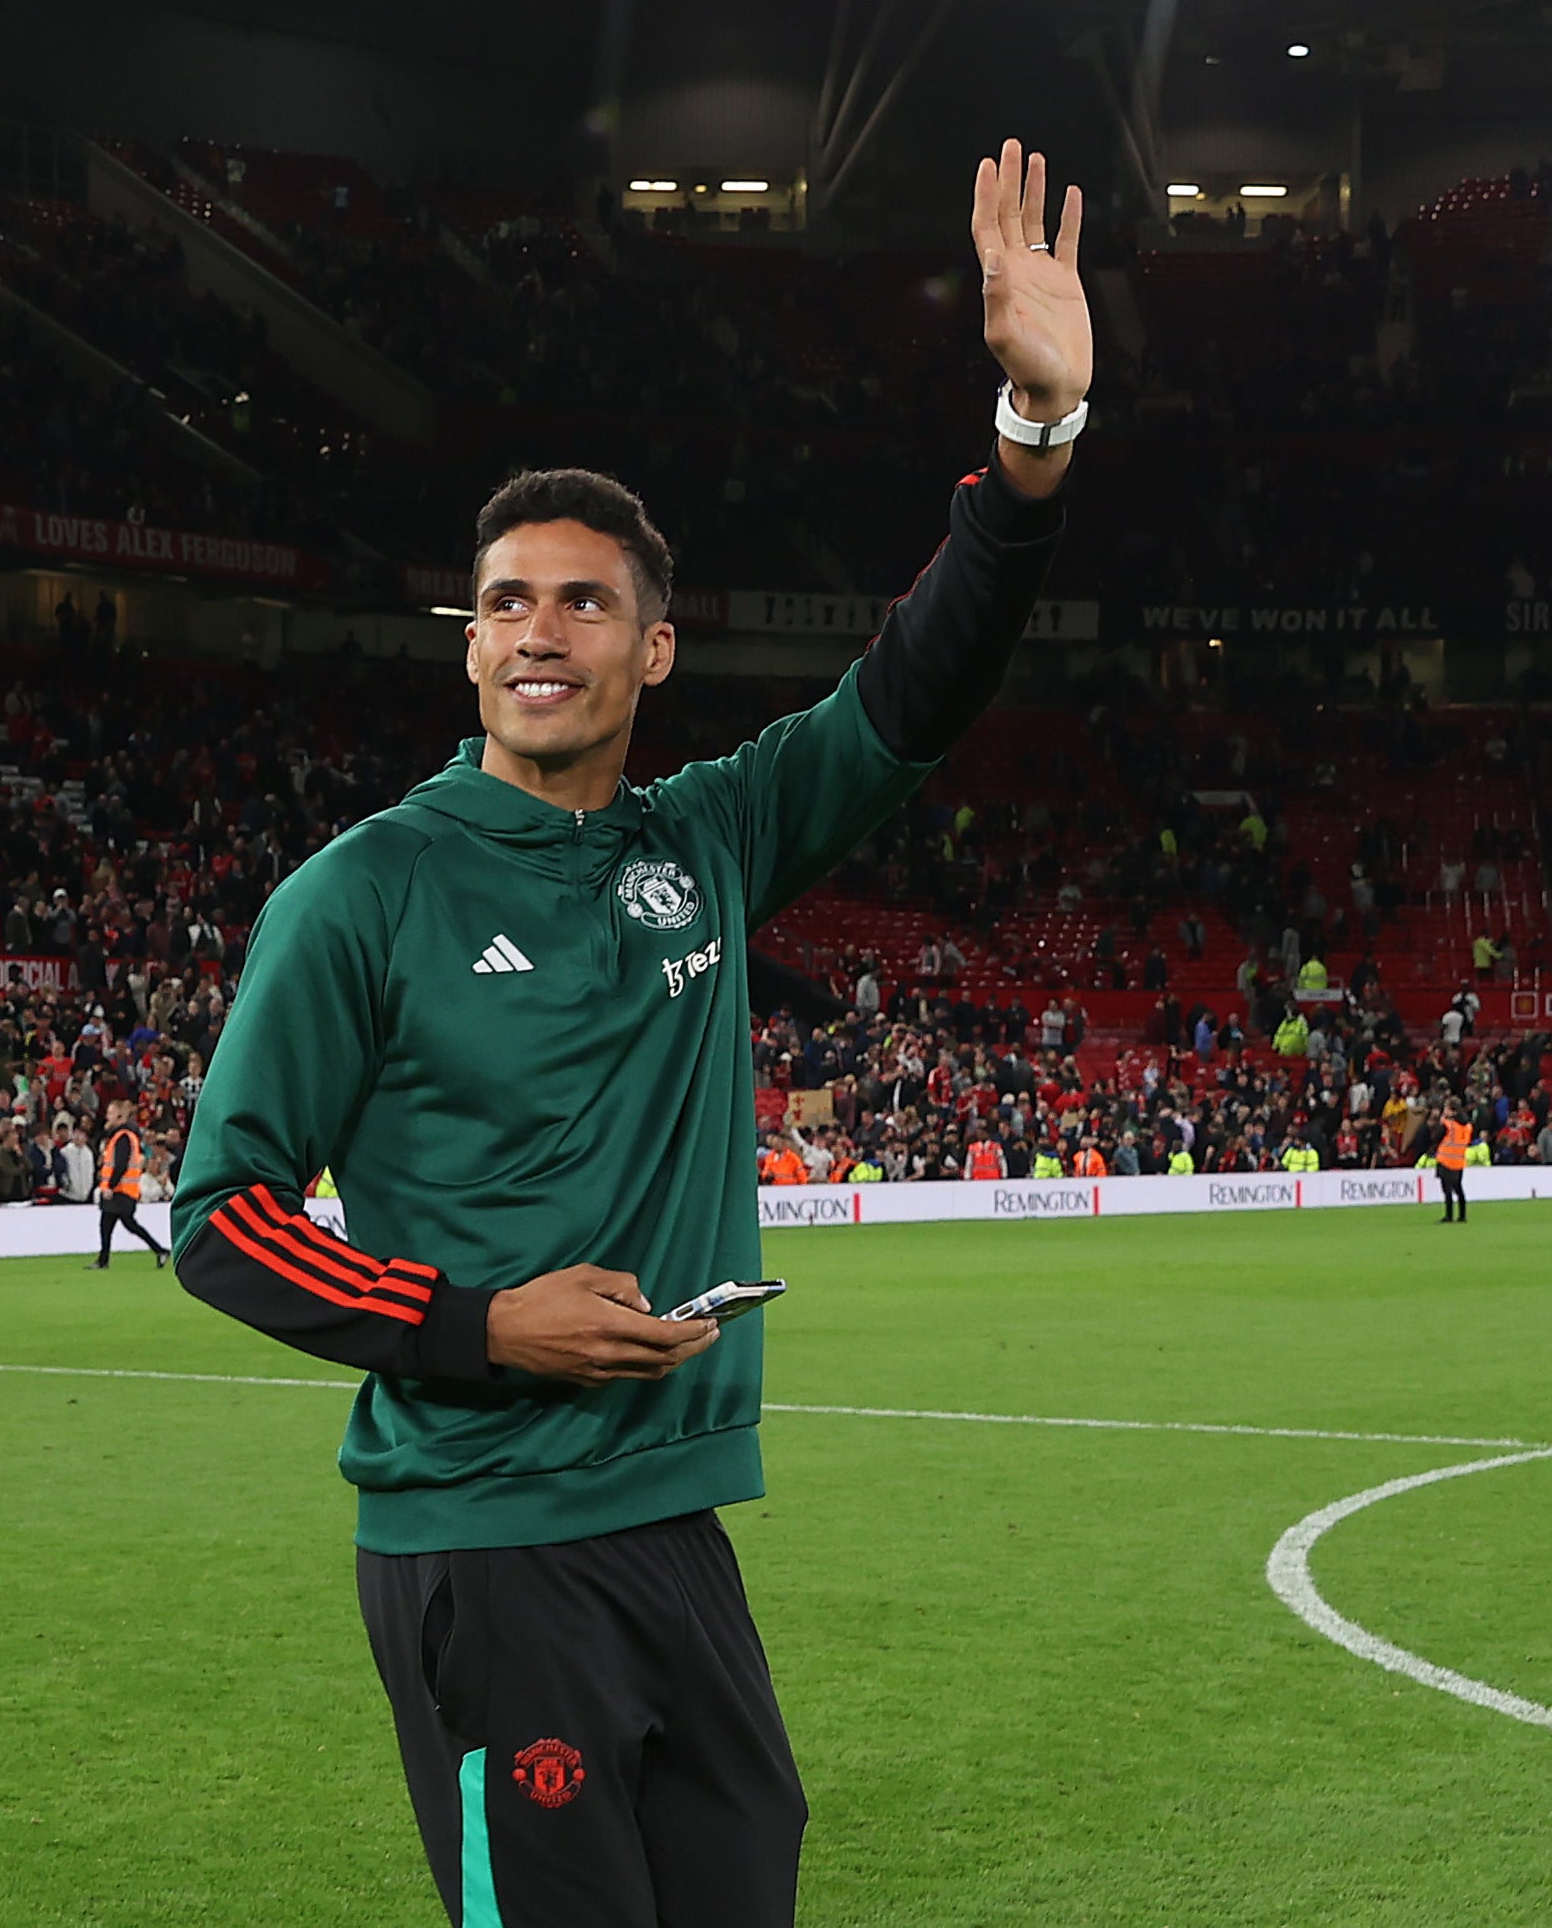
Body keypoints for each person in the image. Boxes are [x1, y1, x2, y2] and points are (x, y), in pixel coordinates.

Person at [172, 138, 1086, 1928]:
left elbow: (917, 682)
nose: (535, 628)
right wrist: (475, 1317)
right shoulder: (362, 892)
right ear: (467, 646)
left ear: (651, 652)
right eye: (503, 599)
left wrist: (1028, 443)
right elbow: (220, 1213)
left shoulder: (707, 840)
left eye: (582, 599)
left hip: (671, 1527)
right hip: (480, 1543)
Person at [89, 1103, 167, 1269]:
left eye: (111, 1113)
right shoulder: (124, 1135)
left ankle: (159, 1251)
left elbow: (121, 1164)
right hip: (122, 1190)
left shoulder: (123, 1136)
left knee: (119, 1224)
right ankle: (104, 1259)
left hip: (121, 1190)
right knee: (115, 1224)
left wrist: (110, 1185)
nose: (107, 1116)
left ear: (120, 1117)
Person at [1437, 1104, 1474, 1223]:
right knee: (1458, 1189)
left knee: (1447, 1190)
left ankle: (1449, 1215)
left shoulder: (1449, 1125)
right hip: (1459, 1160)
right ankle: (1462, 1215)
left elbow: (1436, 1136)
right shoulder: (1467, 1126)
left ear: (1452, 1112)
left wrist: (1442, 1119)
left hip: (1445, 1159)